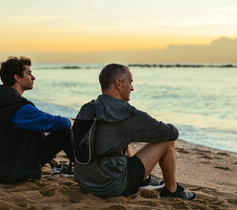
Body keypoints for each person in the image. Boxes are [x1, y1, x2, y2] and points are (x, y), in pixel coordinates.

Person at [73, 63, 196, 200]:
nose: (132, 88)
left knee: (120, 139)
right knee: (167, 142)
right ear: (119, 84)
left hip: (85, 184)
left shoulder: (87, 108)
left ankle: (144, 179)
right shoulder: (126, 114)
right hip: (112, 187)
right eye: (130, 83)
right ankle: (172, 191)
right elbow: (172, 134)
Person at [0, 56, 74, 183]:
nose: (33, 78)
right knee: (65, 129)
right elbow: (55, 123)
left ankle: (56, 166)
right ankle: (84, 171)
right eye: (29, 74)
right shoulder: (19, 108)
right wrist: (71, 121)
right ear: (17, 77)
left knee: (35, 125)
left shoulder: (0, 102)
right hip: (11, 172)